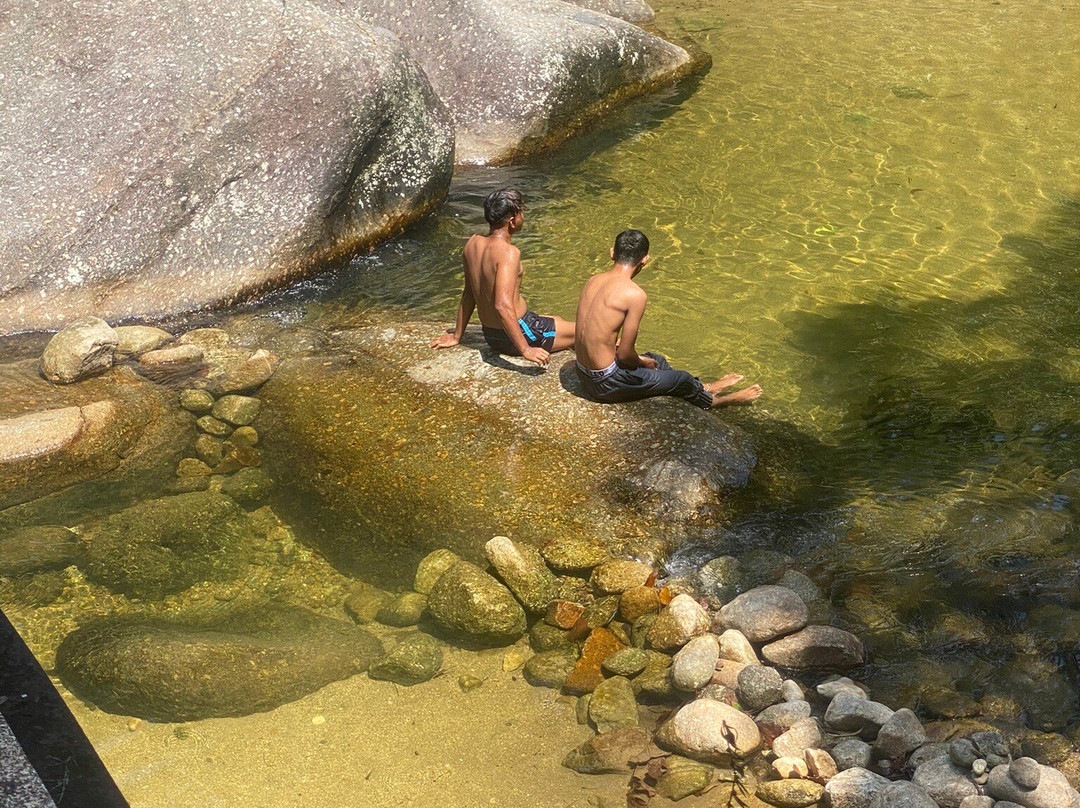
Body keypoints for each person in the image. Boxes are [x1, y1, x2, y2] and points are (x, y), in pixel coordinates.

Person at [574, 229, 762, 408]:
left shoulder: (593, 281)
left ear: (612, 253)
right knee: (681, 378)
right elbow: (624, 355)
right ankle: (715, 402)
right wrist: (642, 362)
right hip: (606, 383)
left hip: (583, 374)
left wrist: (644, 360)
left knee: (657, 359)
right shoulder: (634, 294)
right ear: (645, 260)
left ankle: (704, 387)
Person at [430, 188, 574, 367]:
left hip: (491, 335)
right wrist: (525, 350)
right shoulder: (508, 253)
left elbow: (469, 294)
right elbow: (502, 305)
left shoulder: (472, 243)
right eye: (522, 212)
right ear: (512, 221)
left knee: (558, 320)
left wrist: (457, 336)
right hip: (519, 333)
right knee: (584, 331)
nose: (524, 216)